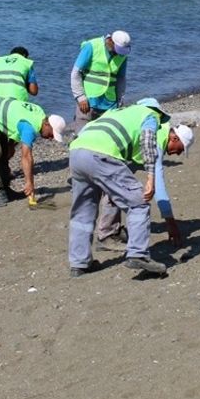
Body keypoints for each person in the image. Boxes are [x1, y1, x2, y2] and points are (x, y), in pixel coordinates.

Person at [66, 98, 194, 278]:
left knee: (82, 212)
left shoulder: (122, 112)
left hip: (77, 151)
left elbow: (88, 130)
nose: (177, 153)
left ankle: (79, 263)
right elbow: (148, 141)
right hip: (100, 153)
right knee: (139, 202)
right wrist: (150, 177)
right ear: (174, 137)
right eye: (180, 148)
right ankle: (137, 254)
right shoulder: (151, 116)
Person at [70, 30, 131, 244]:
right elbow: (76, 73)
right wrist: (80, 97)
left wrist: (120, 101)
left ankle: (108, 226)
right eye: (117, 49)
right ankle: (82, 180)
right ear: (109, 41)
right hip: (88, 105)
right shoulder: (92, 47)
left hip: (109, 106)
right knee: (82, 145)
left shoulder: (122, 54)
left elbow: (120, 78)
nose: (119, 53)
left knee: (107, 152)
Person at [0, 97, 66, 206]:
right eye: (52, 134)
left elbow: (16, 118)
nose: (50, 138)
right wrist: (29, 183)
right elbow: (26, 156)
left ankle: (5, 191)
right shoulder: (30, 127)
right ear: (47, 125)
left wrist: (11, 144)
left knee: (4, 152)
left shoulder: (40, 113)